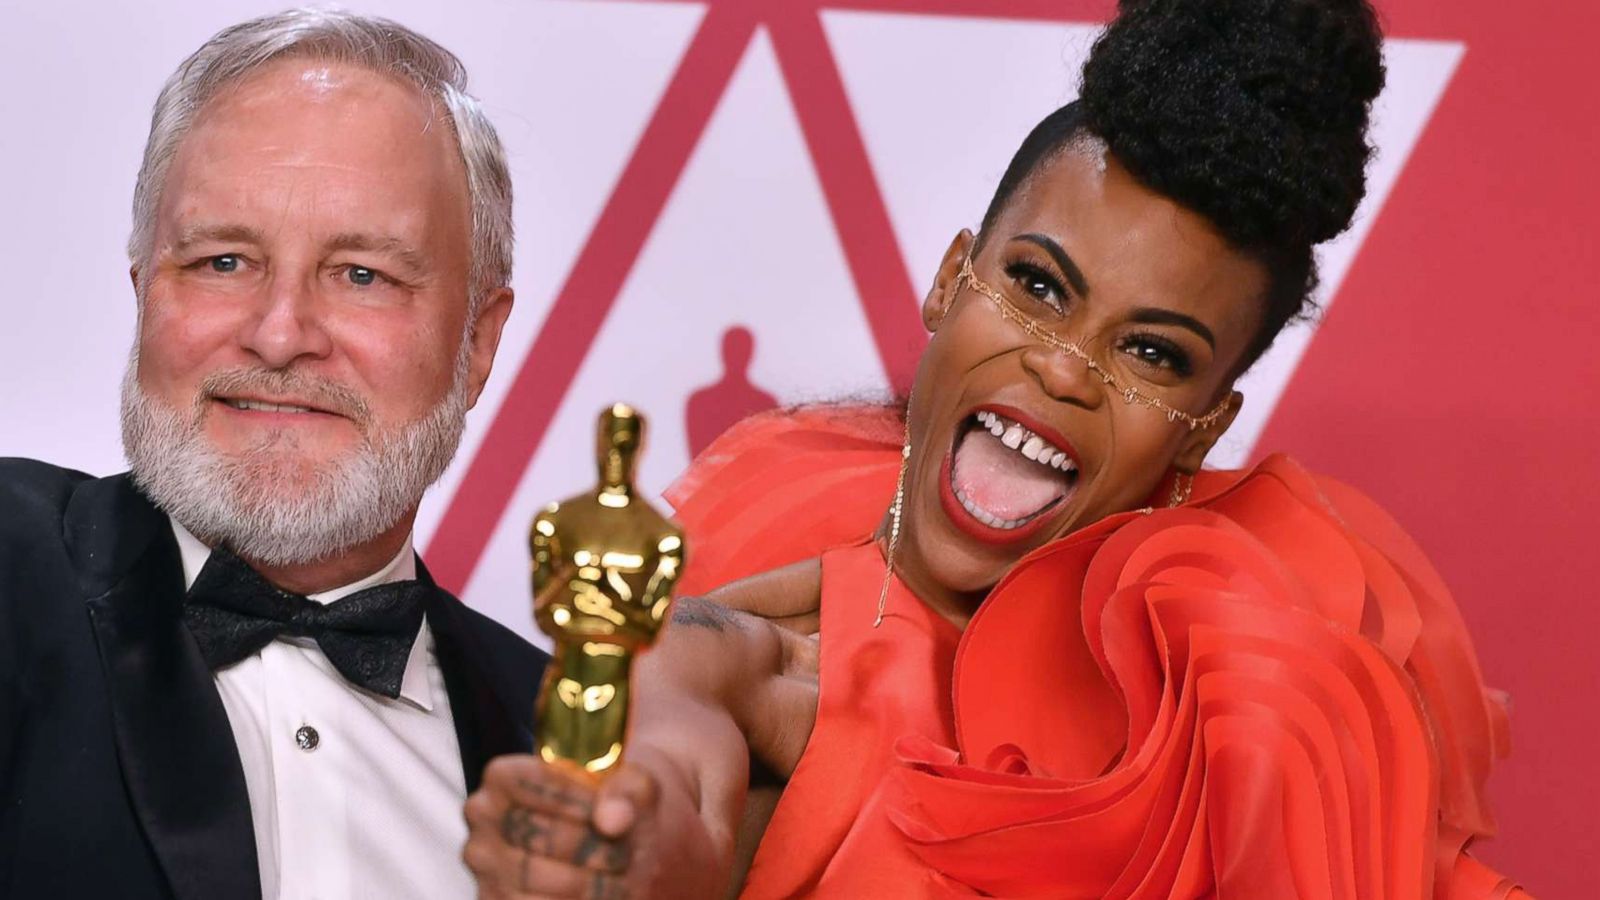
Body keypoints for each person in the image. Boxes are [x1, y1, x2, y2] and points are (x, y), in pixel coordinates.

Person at [463, 0, 1525, 897]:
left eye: (1151, 352)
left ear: (1205, 422)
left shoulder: (1258, 718)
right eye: (1037, 287)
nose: (1064, 370)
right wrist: (615, 847)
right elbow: (666, 789)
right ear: (949, 278)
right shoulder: (742, 647)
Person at [0, 10, 546, 899]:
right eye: (222, 262)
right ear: (144, 298)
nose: (280, 333)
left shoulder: (561, 751)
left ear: (478, 343)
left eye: (363, 275)